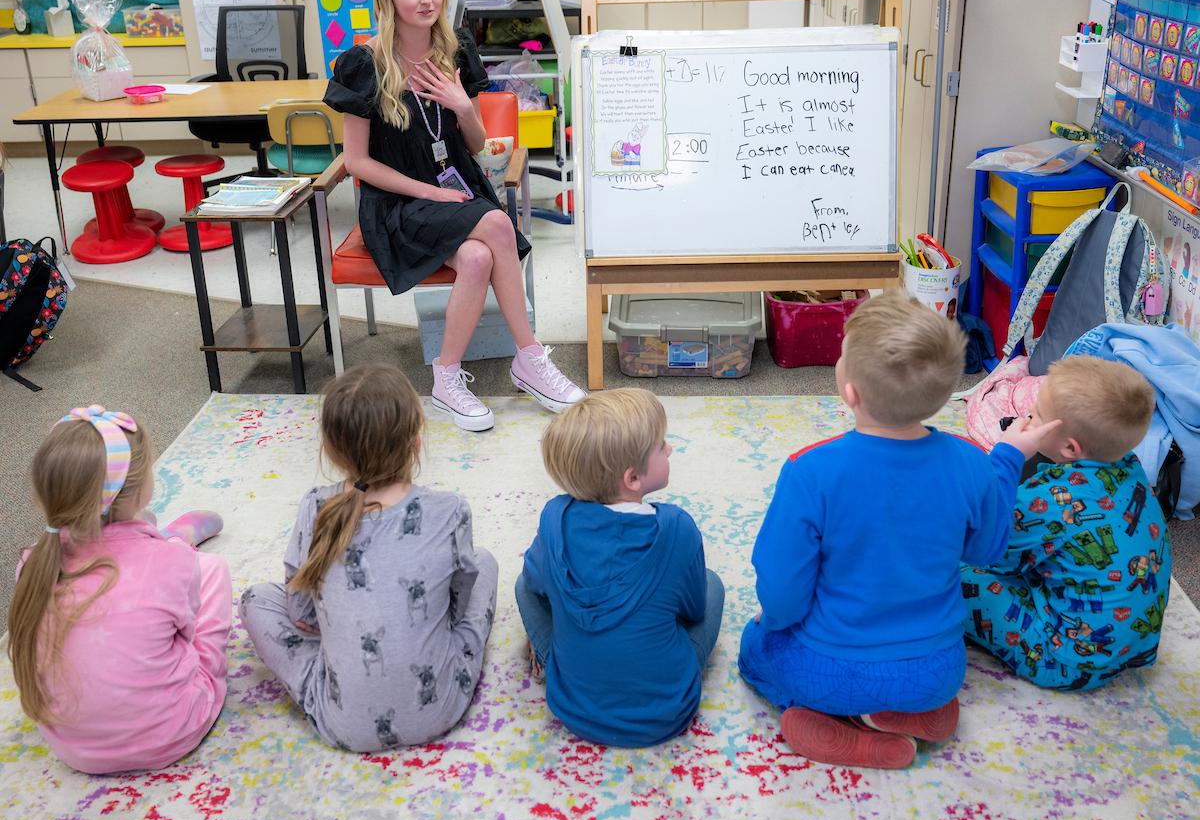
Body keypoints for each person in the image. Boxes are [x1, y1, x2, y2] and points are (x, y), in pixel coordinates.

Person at [738, 292, 1057, 770]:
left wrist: (771, 624)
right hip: (936, 672)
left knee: (754, 648)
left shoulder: (810, 471)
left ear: (850, 391)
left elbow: (783, 592)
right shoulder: (972, 462)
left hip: (828, 671)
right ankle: (903, 713)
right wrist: (1007, 460)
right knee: (906, 678)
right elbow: (988, 549)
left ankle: (839, 721)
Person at [324, 0, 584, 432]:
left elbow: (479, 143)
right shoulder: (363, 64)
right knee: (497, 224)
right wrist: (431, 193)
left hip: (457, 187)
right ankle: (528, 357)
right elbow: (357, 162)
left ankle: (445, 379)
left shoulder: (457, 48)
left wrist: (463, 106)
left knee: (479, 256)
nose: (427, 0)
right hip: (400, 203)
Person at [240, 363, 498, 752]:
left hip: (342, 722)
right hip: (440, 709)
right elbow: (458, 605)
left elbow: (301, 614)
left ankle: (347, 668)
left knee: (255, 599)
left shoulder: (315, 506)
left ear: (330, 448)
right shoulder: (450, 509)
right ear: (416, 439)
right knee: (485, 562)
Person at [7, 406, 231, 774]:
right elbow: (185, 635)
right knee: (213, 570)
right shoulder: (170, 566)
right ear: (139, 491)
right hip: (174, 732)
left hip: (75, 751)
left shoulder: (32, 565)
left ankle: (162, 534)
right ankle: (172, 538)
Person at [515, 388, 725, 747]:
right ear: (632, 479)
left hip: (574, 705)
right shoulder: (677, 528)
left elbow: (534, 585)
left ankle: (551, 655)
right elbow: (693, 610)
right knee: (712, 584)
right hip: (666, 709)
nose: (670, 449)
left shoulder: (554, 520)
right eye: (661, 445)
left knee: (524, 582)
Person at [961, 355, 1171, 691]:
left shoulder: (1048, 501)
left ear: (1070, 448)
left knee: (950, 570)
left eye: (1038, 414)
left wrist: (1004, 460)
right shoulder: (1131, 468)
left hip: (1063, 660)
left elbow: (988, 552)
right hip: (1133, 647)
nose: (1027, 417)